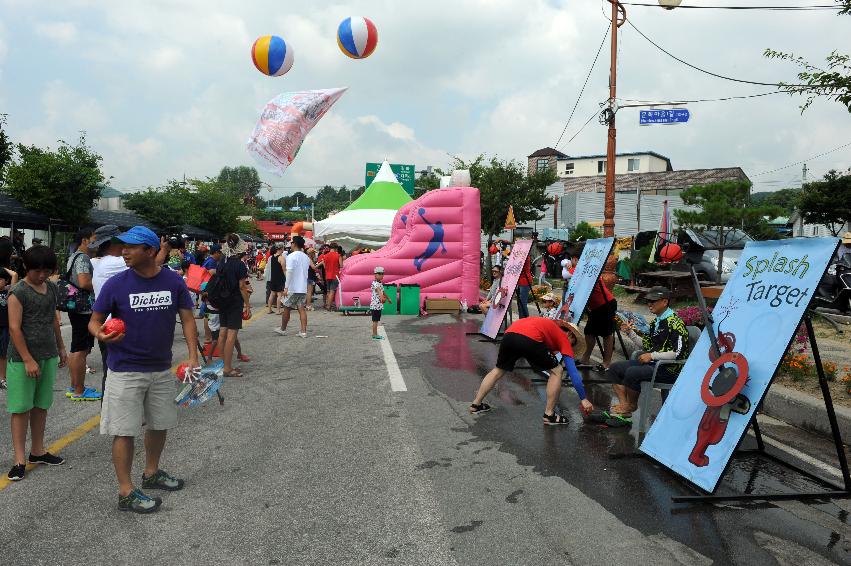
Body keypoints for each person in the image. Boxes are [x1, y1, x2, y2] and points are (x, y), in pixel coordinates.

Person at [88, 226, 198, 513]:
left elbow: (187, 319)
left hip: (161, 368)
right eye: (122, 246)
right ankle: (126, 491)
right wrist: (100, 334)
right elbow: (94, 319)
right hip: (125, 369)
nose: (123, 251)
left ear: (150, 250)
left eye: (130, 247)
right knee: (124, 431)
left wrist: (193, 355)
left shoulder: (173, 282)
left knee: (159, 424)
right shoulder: (116, 284)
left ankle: (151, 473)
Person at [6, 245, 68, 481]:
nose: (41, 275)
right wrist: (28, 359)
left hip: (48, 354)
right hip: (22, 359)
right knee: (21, 408)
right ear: (25, 267)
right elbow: (14, 327)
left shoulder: (50, 288)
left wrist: (61, 347)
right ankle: (19, 459)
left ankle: (38, 451)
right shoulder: (18, 292)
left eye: (46, 270)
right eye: (36, 270)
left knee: (41, 405)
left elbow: (53, 319)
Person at [469, 317, 591, 425]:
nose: (570, 347)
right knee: (557, 371)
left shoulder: (548, 327)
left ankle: (476, 404)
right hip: (530, 338)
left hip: (510, 334)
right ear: (570, 334)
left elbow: (537, 351)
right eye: (572, 344)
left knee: (498, 370)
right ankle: (549, 415)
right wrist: (583, 398)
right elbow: (573, 372)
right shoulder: (563, 338)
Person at [607, 286, 689, 417]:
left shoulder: (675, 323)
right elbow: (646, 344)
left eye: (653, 301)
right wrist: (629, 332)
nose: (649, 304)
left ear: (665, 302)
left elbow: (678, 352)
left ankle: (631, 406)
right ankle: (625, 405)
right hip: (654, 364)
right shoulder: (656, 322)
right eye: (648, 301)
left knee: (632, 373)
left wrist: (652, 355)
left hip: (669, 369)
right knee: (614, 368)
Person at [88, 225, 127, 395]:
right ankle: (109, 413)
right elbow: (149, 262)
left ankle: (110, 413)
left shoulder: (101, 262)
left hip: (107, 324)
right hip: (112, 327)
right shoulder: (113, 263)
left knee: (111, 371)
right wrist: (163, 249)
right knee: (114, 373)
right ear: (113, 242)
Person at [66, 227, 101, 401]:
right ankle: (79, 390)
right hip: (84, 308)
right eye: (94, 238)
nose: (97, 242)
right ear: (85, 240)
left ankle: (74, 386)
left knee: (77, 347)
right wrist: (100, 287)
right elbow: (84, 281)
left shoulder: (74, 256)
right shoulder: (83, 258)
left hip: (75, 306)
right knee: (81, 349)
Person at [215, 233, 251, 378]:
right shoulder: (240, 265)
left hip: (222, 300)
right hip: (235, 301)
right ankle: (228, 369)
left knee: (222, 333)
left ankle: (222, 365)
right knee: (231, 335)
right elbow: (242, 286)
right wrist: (247, 304)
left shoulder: (222, 262)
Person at [576, 279, 617, 372]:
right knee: (589, 332)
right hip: (596, 307)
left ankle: (606, 363)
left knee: (606, 334)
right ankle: (585, 358)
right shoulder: (579, 269)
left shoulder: (591, 269)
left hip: (605, 303)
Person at [276, 236, 309, 338]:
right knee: (301, 308)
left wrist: (286, 287)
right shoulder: (306, 257)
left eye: (291, 243)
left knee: (286, 308)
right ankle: (303, 332)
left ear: (294, 244)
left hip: (292, 288)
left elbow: (289, 271)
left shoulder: (291, 256)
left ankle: (283, 329)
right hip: (302, 287)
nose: (290, 245)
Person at [0, 239, 19, 389]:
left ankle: (3, 377)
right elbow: (14, 282)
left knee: (3, 351)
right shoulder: (5, 271)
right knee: (3, 351)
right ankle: (3, 377)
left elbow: (13, 284)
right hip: (4, 321)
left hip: (4, 321)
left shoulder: (7, 287)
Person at [318, 243, 343, 310]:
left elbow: (325, 266)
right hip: (335, 275)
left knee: (328, 291)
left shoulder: (325, 256)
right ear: (336, 248)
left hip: (327, 275)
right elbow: (341, 266)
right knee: (332, 291)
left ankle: (327, 304)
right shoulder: (338, 255)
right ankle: (329, 306)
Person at [266, 243, 286, 314]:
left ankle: (269, 309)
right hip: (280, 278)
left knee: (272, 294)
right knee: (279, 294)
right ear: (281, 249)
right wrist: (287, 278)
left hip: (273, 278)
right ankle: (278, 310)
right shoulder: (281, 258)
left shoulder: (271, 257)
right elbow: (284, 270)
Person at [370, 267, 387, 340]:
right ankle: (374, 335)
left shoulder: (380, 283)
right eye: (381, 274)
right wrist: (382, 298)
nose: (382, 275)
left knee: (376, 320)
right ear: (376, 275)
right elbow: (379, 291)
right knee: (375, 321)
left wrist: (388, 298)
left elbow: (383, 291)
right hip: (375, 305)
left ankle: (375, 334)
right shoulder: (375, 283)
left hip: (378, 305)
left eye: (383, 274)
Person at [516, 254, 533, 319]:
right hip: (519, 281)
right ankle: (521, 320)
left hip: (525, 281)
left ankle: (526, 320)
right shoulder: (519, 253)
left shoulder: (525, 255)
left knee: (522, 303)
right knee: (519, 303)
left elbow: (519, 263)